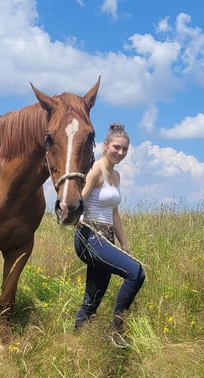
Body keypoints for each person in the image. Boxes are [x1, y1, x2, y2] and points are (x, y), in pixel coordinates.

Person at [73, 122, 145, 347]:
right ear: (106, 145)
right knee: (136, 273)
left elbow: (114, 213)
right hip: (90, 237)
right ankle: (118, 330)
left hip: (107, 239)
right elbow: (79, 200)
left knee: (92, 298)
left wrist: (124, 243)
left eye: (124, 149)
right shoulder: (96, 170)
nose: (120, 153)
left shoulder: (117, 176)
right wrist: (78, 215)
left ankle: (75, 342)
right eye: (116, 147)